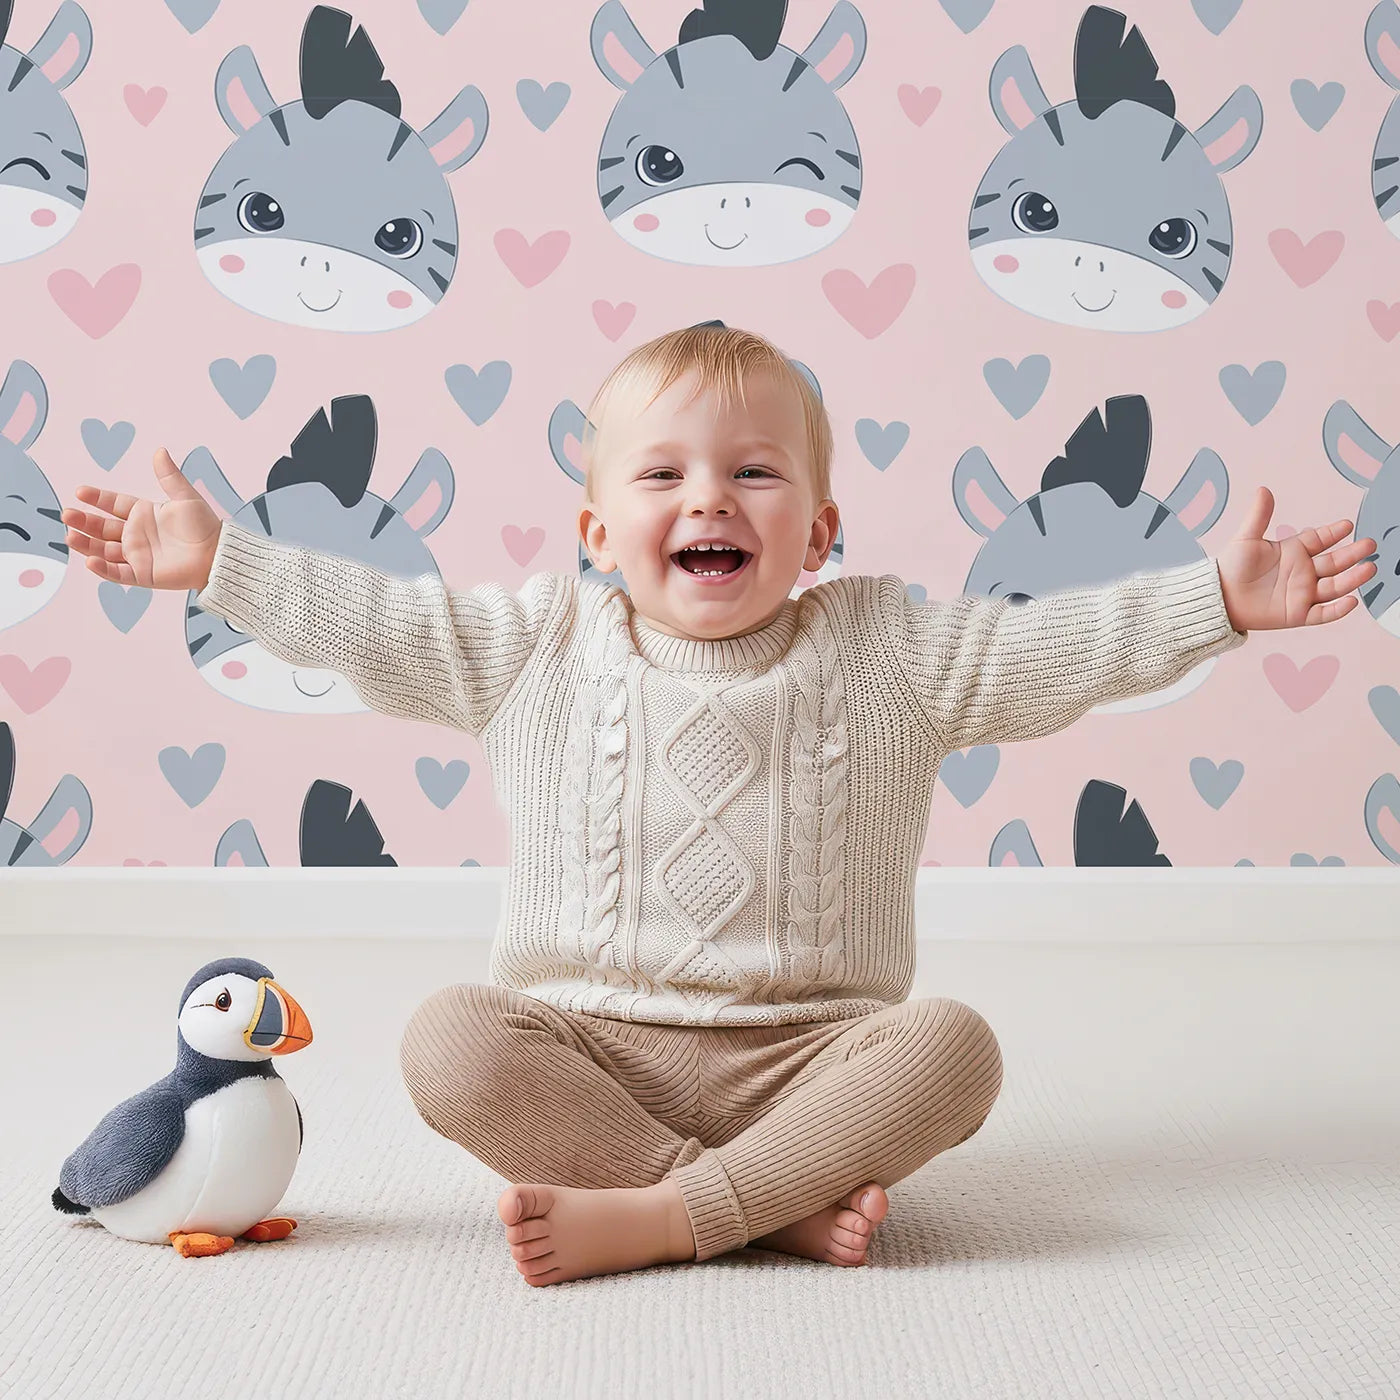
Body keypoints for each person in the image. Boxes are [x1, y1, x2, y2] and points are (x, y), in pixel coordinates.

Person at [60, 324, 1378, 1287]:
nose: (708, 497)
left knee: (955, 1049)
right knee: (446, 1042)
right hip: (589, 1059)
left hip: (816, 1063)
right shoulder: (535, 649)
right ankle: (754, 1207)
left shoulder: (889, 652)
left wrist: (1217, 600)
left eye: (755, 473)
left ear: (819, 532)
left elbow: (1063, 647)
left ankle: (667, 1215)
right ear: (593, 533)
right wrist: (223, 564)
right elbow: (375, 620)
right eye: (662, 476)